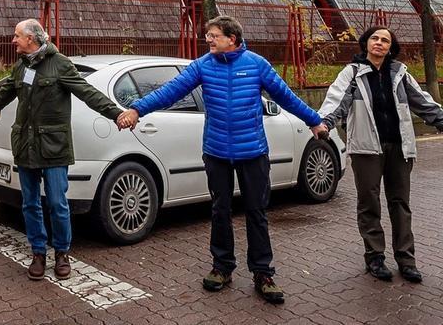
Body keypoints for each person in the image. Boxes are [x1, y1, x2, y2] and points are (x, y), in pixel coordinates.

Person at [116, 16, 326, 304]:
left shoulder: (256, 64)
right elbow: (170, 91)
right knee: (220, 210)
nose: (208, 40)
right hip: (216, 152)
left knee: (256, 212)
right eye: (207, 35)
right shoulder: (203, 65)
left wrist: (314, 121)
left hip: (253, 152)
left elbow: (286, 96)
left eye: (213, 35)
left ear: (232, 38)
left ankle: (263, 273)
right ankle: (222, 267)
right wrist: (138, 109)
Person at [0, 19, 123, 281]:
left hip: (53, 147)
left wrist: (116, 114)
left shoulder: (60, 64)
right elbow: (3, 95)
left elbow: (88, 93)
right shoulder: (21, 66)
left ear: (31, 39)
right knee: (30, 204)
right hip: (26, 146)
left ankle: (61, 253)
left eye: (17, 36)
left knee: (58, 203)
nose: (13, 40)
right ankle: (38, 252)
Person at [318, 27, 443, 284]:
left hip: (399, 147)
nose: (379, 43)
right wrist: (325, 123)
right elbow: (336, 101)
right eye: (375, 38)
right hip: (366, 148)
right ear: (366, 43)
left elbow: (423, 102)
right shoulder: (352, 73)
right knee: (369, 203)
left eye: (385, 40)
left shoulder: (399, 73)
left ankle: (406, 260)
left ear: (390, 47)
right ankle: (375, 256)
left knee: (400, 203)